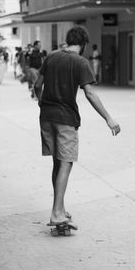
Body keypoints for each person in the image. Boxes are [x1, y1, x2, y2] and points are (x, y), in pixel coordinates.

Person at [34, 25, 121, 225]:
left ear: (68, 40)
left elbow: (37, 86)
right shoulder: (80, 62)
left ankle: (60, 207)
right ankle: (56, 212)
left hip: (46, 117)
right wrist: (108, 118)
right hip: (65, 119)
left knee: (57, 161)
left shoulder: (51, 57)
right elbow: (89, 93)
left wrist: (41, 102)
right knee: (66, 161)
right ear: (82, 44)